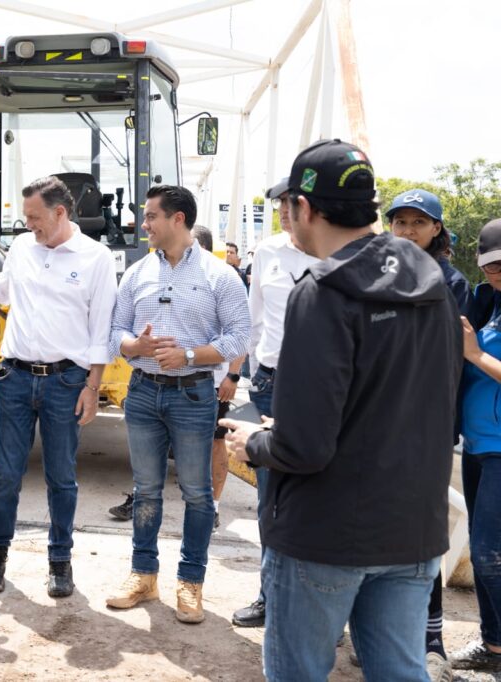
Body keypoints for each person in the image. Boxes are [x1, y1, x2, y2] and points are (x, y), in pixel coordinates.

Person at [221, 139, 463, 681]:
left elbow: (303, 448)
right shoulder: (433, 286)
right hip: (412, 528)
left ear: (303, 208)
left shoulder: (322, 291)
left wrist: (253, 442)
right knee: (401, 670)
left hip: (326, 534)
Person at [103, 185, 249, 624]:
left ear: (178, 219)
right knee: (145, 490)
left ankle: (191, 582)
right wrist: (136, 344)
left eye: (150, 217)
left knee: (197, 493)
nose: (143, 224)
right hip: (144, 392)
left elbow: (238, 336)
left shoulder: (219, 275)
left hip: (193, 394)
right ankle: (144, 575)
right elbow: (114, 331)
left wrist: (188, 355)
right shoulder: (136, 274)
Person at [0, 176, 117, 598]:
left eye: (34, 217)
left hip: (66, 382)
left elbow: (101, 328)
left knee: (62, 478)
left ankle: (60, 563)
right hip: (14, 376)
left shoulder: (95, 258)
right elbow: (4, 290)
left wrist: (93, 386)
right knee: (6, 476)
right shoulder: (21, 248)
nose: (28, 224)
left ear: (59, 213)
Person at [387, 187, 471, 680]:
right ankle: (385, 630)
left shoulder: (451, 283)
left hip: (427, 424)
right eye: (400, 222)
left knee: (422, 529)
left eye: (418, 223)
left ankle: (431, 636)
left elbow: (447, 361)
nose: (408, 231)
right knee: (384, 526)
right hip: (383, 423)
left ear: (437, 228)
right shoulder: (382, 270)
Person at [231, 177, 317, 629]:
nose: (284, 211)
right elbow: (253, 319)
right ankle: (272, 596)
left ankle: (324, 609)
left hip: (321, 388)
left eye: (291, 203)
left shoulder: (338, 253)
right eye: (280, 204)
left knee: (320, 496)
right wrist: (239, 375)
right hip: (269, 384)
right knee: (269, 501)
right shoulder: (267, 253)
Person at [449, 218, 501, 673]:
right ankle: (493, 646)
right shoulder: (485, 302)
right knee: (484, 555)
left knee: (489, 553)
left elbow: (477, 360)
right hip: (476, 445)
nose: (500, 271)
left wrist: (475, 354)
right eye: (492, 265)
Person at [190, 223, 246, 532]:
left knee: (215, 445)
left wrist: (233, 376)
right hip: (180, 379)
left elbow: (242, 334)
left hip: (215, 381)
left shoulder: (226, 279)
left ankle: (212, 506)